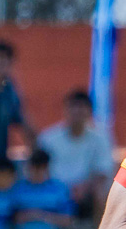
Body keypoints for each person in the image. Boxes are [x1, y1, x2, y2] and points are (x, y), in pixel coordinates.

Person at [38, 90, 115, 220]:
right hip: (53, 189)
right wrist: (60, 189)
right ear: (65, 110)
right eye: (73, 107)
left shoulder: (101, 139)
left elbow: (103, 172)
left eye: (82, 108)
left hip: (86, 193)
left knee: (101, 192)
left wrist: (85, 187)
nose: (77, 112)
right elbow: (39, 169)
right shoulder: (48, 138)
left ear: (89, 111)